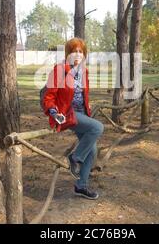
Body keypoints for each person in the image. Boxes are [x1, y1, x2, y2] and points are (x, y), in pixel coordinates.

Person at [42, 38, 104, 200]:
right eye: (74, 51)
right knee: (98, 128)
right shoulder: (60, 70)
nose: (77, 54)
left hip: (82, 113)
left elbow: (83, 96)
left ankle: (81, 186)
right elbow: (49, 96)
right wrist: (54, 112)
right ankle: (75, 157)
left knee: (92, 151)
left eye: (80, 51)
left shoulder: (84, 72)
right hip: (66, 114)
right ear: (68, 54)